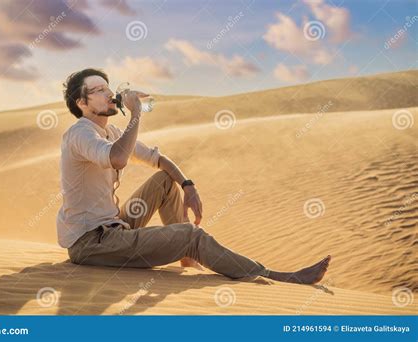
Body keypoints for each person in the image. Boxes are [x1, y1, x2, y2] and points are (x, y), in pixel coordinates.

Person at [57, 68, 331, 284]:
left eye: (108, 87)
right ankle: (273, 275)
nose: (109, 93)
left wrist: (188, 185)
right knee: (191, 234)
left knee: (165, 180)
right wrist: (137, 114)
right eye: (98, 90)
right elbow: (117, 157)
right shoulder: (80, 132)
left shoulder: (113, 132)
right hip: (92, 243)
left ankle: (187, 257)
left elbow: (159, 160)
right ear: (82, 103)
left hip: (115, 226)